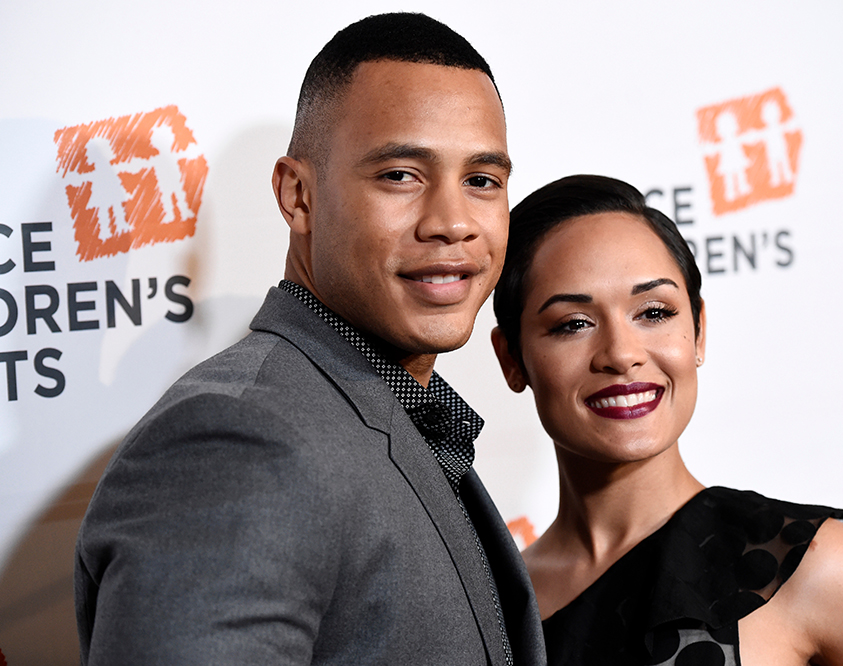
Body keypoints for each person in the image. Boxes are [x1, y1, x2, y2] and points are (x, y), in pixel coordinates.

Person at [74, 13, 546, 665]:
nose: (452, 223)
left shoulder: (377, 411)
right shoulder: (236, 444)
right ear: (298, 196)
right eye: (400, 175)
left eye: (481, 181)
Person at [490, 175, 843, 665]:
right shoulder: (494, 605)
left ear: (699, 331)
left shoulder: (808, 568)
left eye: (654, 312)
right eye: (574, 324)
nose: (621, 354)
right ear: (512, 359)